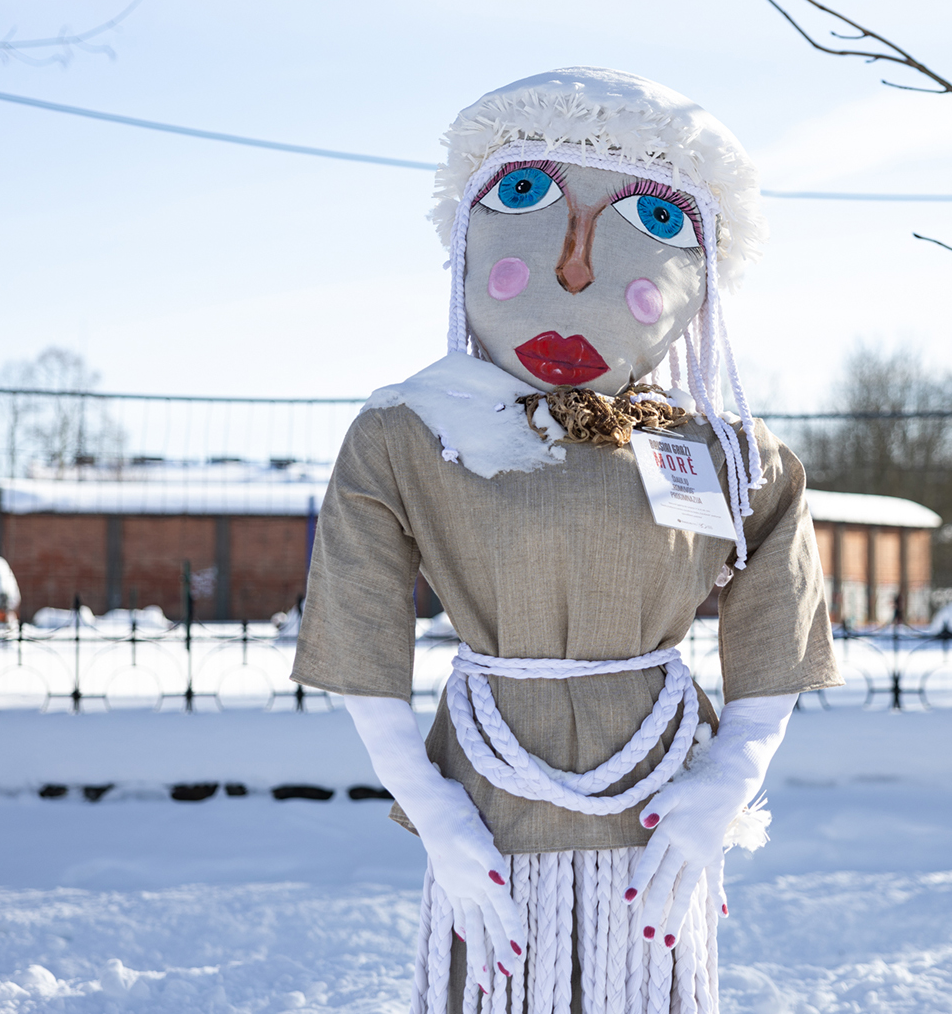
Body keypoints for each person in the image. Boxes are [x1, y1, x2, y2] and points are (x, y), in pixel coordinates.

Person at [292, 67, 839, 1014]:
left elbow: (777, 629)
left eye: (654, 219)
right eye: (523, 195)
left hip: (661, 804)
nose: (575, 269)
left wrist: (729, 783)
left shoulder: (723, 453)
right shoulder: (410, 436)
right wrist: (435, 813)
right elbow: (359, 634)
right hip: (488, 800)